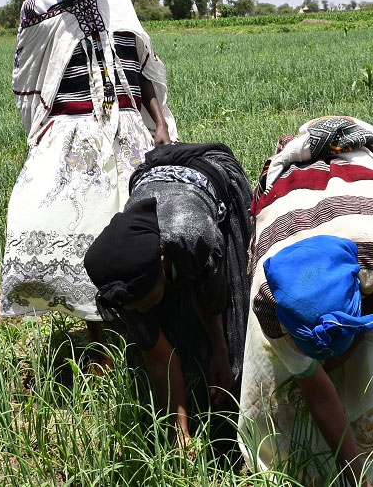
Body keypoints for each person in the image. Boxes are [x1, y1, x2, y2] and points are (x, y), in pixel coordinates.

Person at [0, 0, 179, 352]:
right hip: (72, 135)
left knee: (140, 230)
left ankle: (142, 327)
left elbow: (140, 67)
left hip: (129, 129)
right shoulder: (39, 7)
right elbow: (31, 77)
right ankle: (97, 334)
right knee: (74, 228)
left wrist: (158, 124)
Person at [237, 117, 373, 486]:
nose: (324, 363)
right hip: (289, 203)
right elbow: (318, 394)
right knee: (280, 371)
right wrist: (354, 471)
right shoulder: (270, 298)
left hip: (360, 173)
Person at [83, 143, 252, 451]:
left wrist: (220, 352)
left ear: (162, 263)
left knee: (231, 328)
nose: (145, 308)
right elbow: (159, 358)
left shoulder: (194, 237)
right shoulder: (123, 280)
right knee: (162, 332)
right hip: (152, 183)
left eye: (148, 300)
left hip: (209, 180)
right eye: (138, 306)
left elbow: (211, 299)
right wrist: (179, 433)